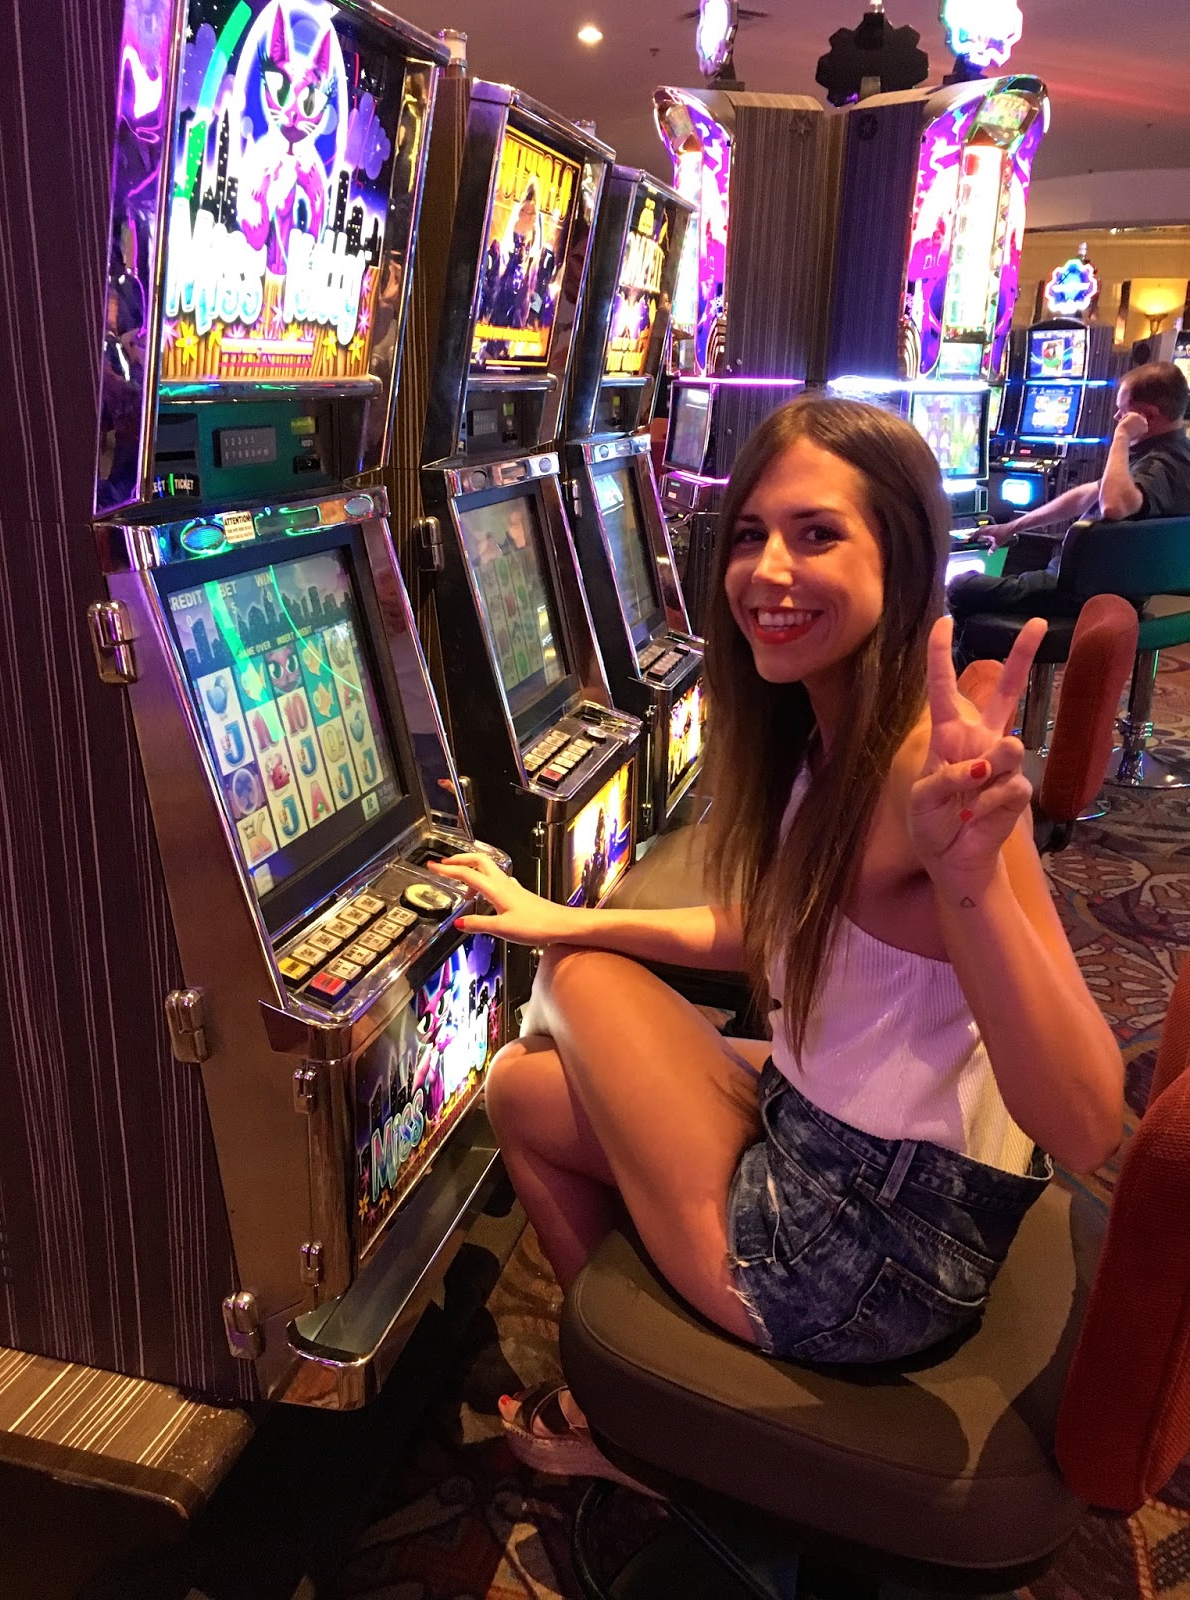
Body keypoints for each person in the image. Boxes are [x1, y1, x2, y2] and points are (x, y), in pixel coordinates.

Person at [432, 397, 1123, 1486]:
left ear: (902, 556)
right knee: (524, 1093)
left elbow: (1086, 1119)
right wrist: (561, 911)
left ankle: (661, 1431)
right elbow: (784, 927)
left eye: (817, 534)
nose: (767, 571)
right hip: (866, 1155)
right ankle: (646, 1416)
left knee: (574, 986)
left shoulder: (920, 773)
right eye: (750, 534)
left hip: (866, 1254)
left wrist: (974, 881)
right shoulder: (832, 737)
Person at [948, 362, 1190, 649]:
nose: (1116, 417)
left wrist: (1122, 437)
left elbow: (1113, 506)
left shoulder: (1161, 465)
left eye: (1123, 411)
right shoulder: (1172, 453)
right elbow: (1086, 495)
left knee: (961, 586)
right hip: (1103, 588)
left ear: (1147, 416)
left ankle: (968, 668)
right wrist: (1013, 526)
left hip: (1080, 593)